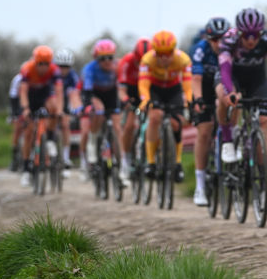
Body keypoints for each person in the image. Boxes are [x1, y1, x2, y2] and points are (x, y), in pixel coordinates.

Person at [215, 9, 267, 180]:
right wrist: (230, 91)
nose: (250, 40)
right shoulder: (229, 39)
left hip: (257, 80)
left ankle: (263, 182)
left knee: (263, 125)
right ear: (239, 32)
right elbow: (224, 69)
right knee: (222, 96)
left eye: (255, 35)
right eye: (246, 35)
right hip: (233, 77)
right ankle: (227, 139)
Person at [138, 30, 193, 182]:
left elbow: (188, 86)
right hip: (155, 90)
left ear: (173, 50)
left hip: (174, 90)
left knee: (176, 123)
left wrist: (189, 100)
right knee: (155, 117)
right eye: (160, 53)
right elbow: (143, 84)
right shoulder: (147, 60)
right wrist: (145, 100)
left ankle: (177, 162)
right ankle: (151, 162)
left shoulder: (183, 59)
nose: (164, 57)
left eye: (167, 53)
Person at [190, 17, 230, 206]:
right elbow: (196, 79)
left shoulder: (233, 48)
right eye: (215, 39)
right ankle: (200, 185)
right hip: (204, 88)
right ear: (208, 39)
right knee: (204, 132)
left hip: (225, 85)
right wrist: (198, 99)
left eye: (223, 38)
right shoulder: (200, 50)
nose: (219, 43)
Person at [16, 45, 65, 187]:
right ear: (35, 62)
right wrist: (25, 109)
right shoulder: (27, 69)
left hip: (45, 95)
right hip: (30, 98)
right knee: (29, 132)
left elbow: (59, 91)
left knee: (54, 108)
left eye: (46, 64)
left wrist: (60, 110)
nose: (43, 67)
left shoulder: (54, 70)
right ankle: (26, 168)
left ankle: (49, 139)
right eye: (40, 64)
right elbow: (23, 91)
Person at [80, 39, 126, 183]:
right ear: (96, 59)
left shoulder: (118, 67)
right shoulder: (90, 69)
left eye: (110, 57)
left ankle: (122, 162)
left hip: (111, 95)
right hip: (95, 94)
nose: (107, 61)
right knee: (99, 111)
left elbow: (123, 87)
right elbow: (87, 90)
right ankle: (93, 142)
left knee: (117, 127)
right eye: (102, 58)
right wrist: (88, 105)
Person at [116, 37, 151, 176]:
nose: (142, 64)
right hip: (131, 91)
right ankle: (125, 159)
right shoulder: (126, 61)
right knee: (129, 125)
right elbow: (121, 89)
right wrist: (125, 100)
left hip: (147, 90)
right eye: (139, 61)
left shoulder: (152, 61)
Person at [53, 48, 83, 175]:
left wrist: (77, 108)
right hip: (52, 99)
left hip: (64, 101)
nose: (63, 69)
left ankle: (65, 158)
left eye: (66, 67)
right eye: (60, 66)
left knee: (65, 125)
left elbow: (74, 93)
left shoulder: (73, 76)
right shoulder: (52, 74)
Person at [6, 72, 26, 172]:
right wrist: (13, 115)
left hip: (29, 101)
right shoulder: (18, 79)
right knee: (17, 128)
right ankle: (14, 158)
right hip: (17, 103)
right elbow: (13, 98)